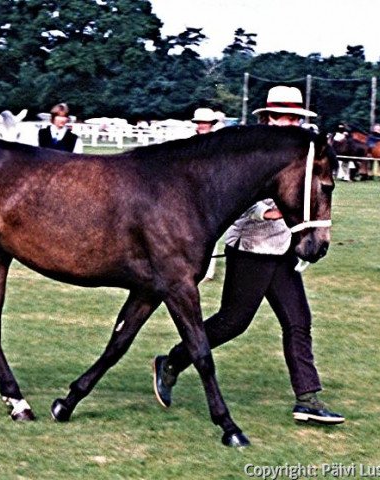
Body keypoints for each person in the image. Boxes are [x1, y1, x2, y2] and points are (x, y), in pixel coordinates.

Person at [153, 86, 345, 425]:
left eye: (295, 118)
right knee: (233, 322)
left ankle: (308, 400)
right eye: (284, 117)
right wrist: (265, 214)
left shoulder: (299, 153)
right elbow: (226, 203)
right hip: (252, 250)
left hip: (284, 250)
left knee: (298, 322)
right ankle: (171, 362)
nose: (289, 123)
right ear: (269, 117)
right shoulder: (247, 151)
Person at [191, 107, 221, 280]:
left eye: (205, 123)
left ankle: (208, 269)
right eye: (199, 123)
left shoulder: (216, 147)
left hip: (210, 195)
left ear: (211, 125)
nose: (202, 126)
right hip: (192, 194)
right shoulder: (190, 144)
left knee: (211, 232)